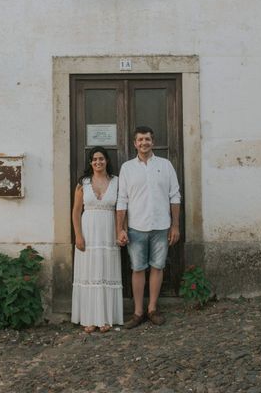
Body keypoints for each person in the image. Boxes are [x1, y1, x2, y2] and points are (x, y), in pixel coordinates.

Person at [116, 126, 181, 328]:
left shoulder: (166, 165)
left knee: (157, 266)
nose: (144, 143)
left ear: (153, 142)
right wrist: (120, 228)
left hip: (161, 226)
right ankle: (138, 312)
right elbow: (122, 200)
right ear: (135, 144)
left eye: (147, 139)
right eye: (140, 140)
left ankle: (152, 308)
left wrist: (175, 226)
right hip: (136, 227)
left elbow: (175, 196)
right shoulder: (127, 168)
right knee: (137, 269)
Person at [71, 146, 124, 333]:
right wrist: (78, 235)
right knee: (89, 273)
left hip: (109, 231)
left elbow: (123, 208)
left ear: (107, 161)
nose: (98, 162)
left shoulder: (117, 181)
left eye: (101, 159)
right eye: (94, 159)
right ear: (90, 162)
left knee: (106, 272)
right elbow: (76, 212)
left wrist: (121, 230)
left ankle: (106, 319)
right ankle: (89, 319)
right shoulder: (83, 183)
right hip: (88, 231)